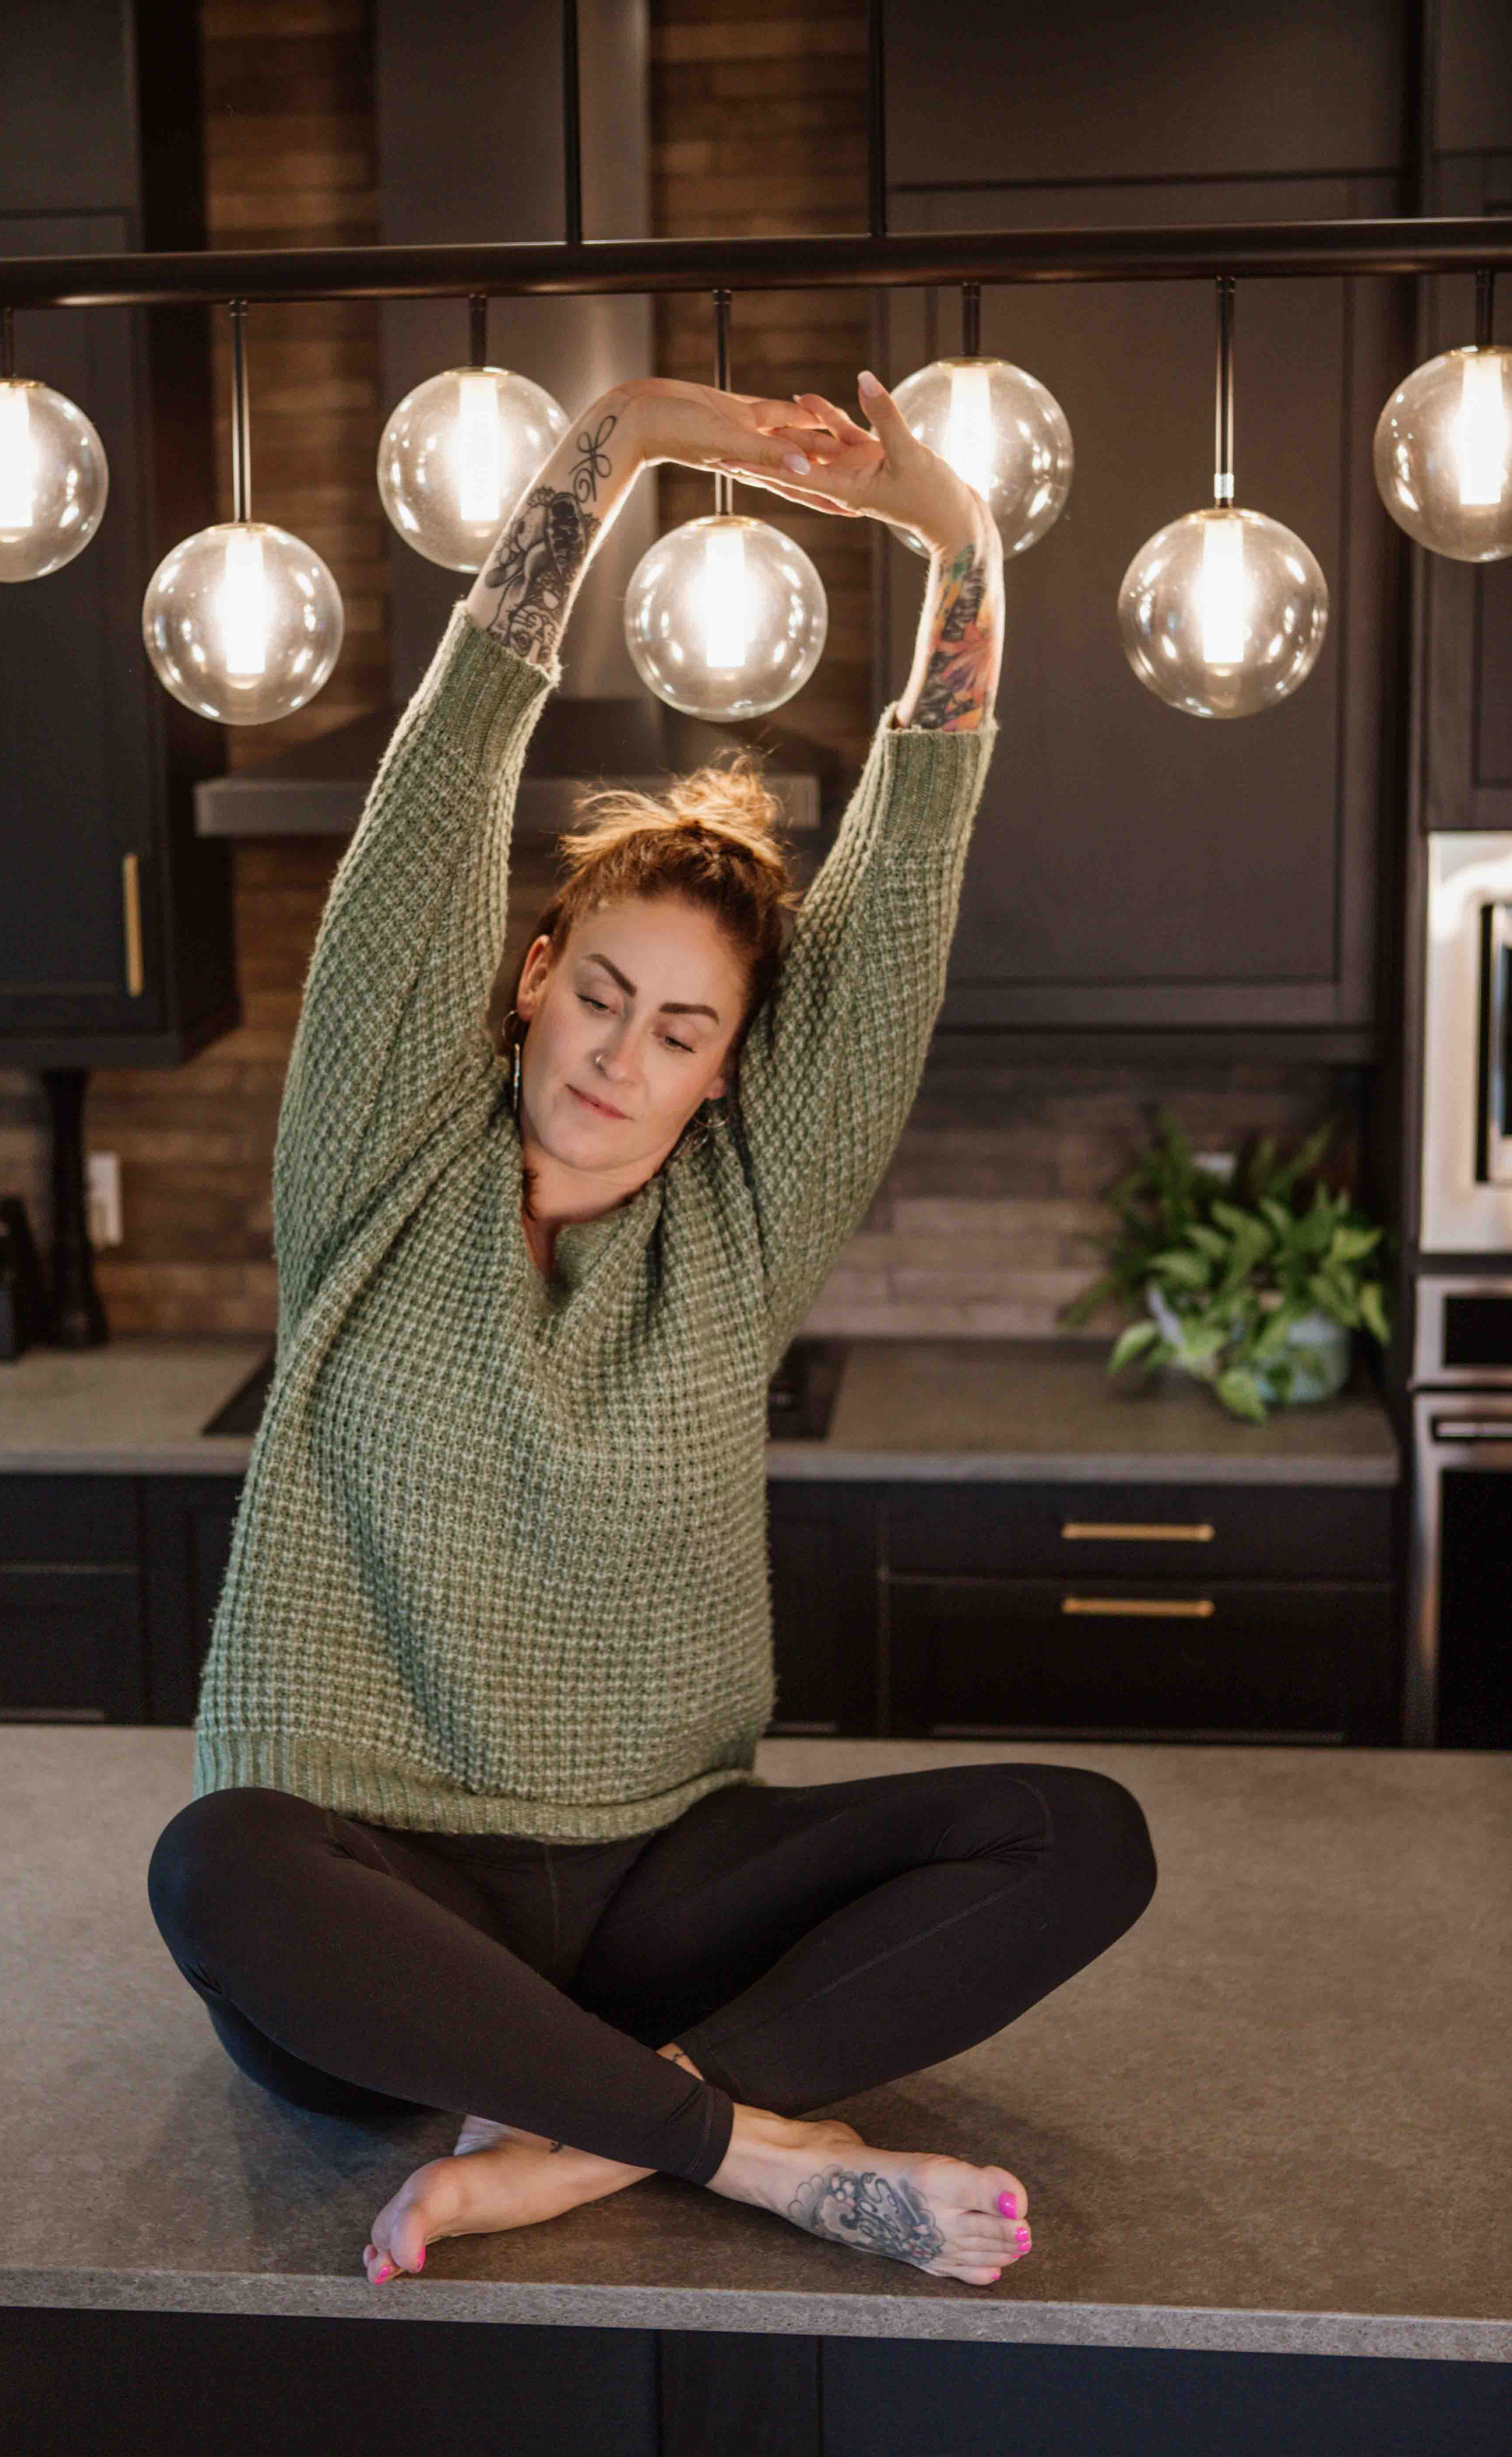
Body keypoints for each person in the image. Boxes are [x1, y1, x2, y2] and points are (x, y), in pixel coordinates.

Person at [147, 368, 1157, 2293]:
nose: (622, 1053)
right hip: (382, 1891)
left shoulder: (745, 1217)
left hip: (649, 1881)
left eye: (681, 1030)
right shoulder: (380, 1154)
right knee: (215, 1865)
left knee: (1079, 1832)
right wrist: (612, 440)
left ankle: (570, 2141)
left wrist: (962, 538)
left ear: (726, 1075)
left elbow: (916, 843)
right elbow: (444, 775)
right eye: (599, 994)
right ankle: (744, 2148)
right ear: (533, 979)